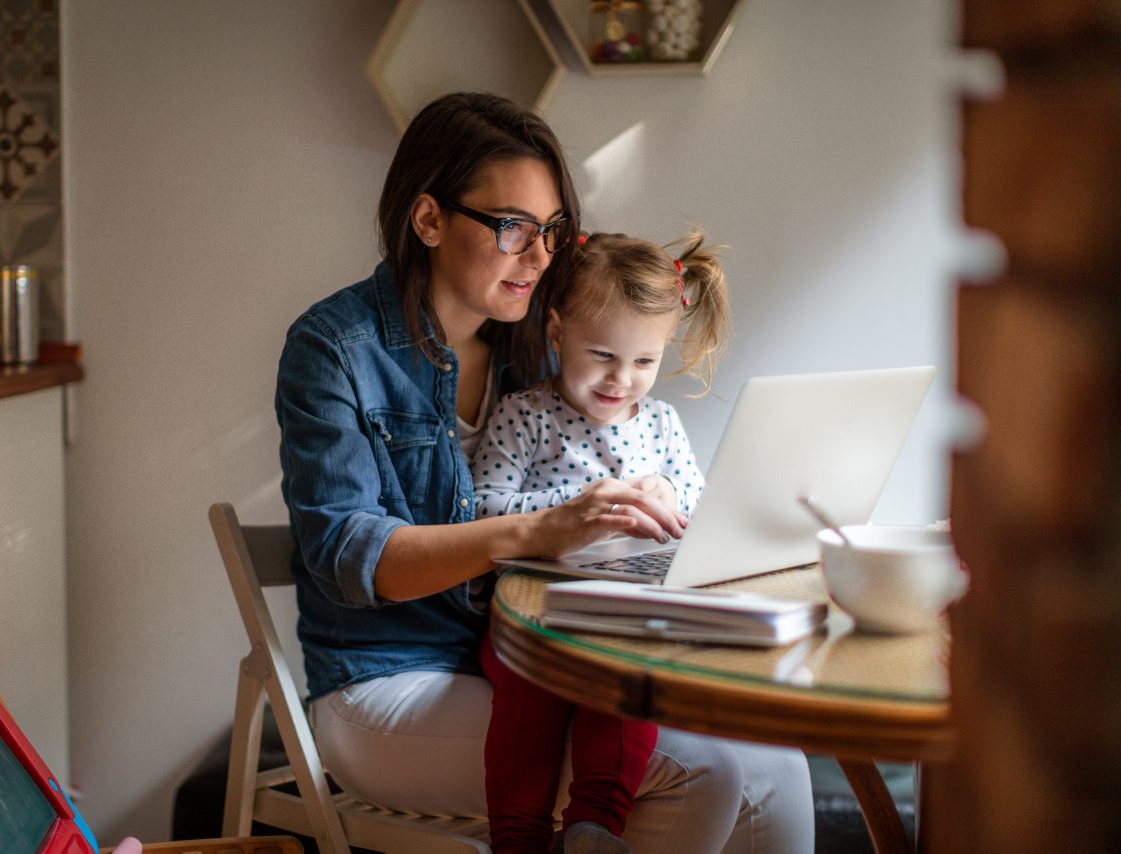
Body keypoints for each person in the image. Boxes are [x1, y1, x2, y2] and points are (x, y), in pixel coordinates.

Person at [275, 91, 814, 852]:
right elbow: (349, 558)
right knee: (699, 770)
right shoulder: (336, 349)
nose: (540, 257)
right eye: (513, 228)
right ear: (428, 220)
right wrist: (541, 529)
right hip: (391, 674)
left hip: (541, 653)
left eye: (553, 231)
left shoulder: (543, 346)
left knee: (778, 762)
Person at [472, 229, 729, 853]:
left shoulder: (662, 425)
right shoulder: (524, 415)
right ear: (555, 333)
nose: (622, 379)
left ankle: (594, 828)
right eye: (602, 355)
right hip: (536, 614)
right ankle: (518, 836)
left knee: (630, 682)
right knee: (529, 689)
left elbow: (702, 512)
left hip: (627, 613)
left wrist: (670, 495)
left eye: (644, 362)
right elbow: (484, 507)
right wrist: (576, 511)